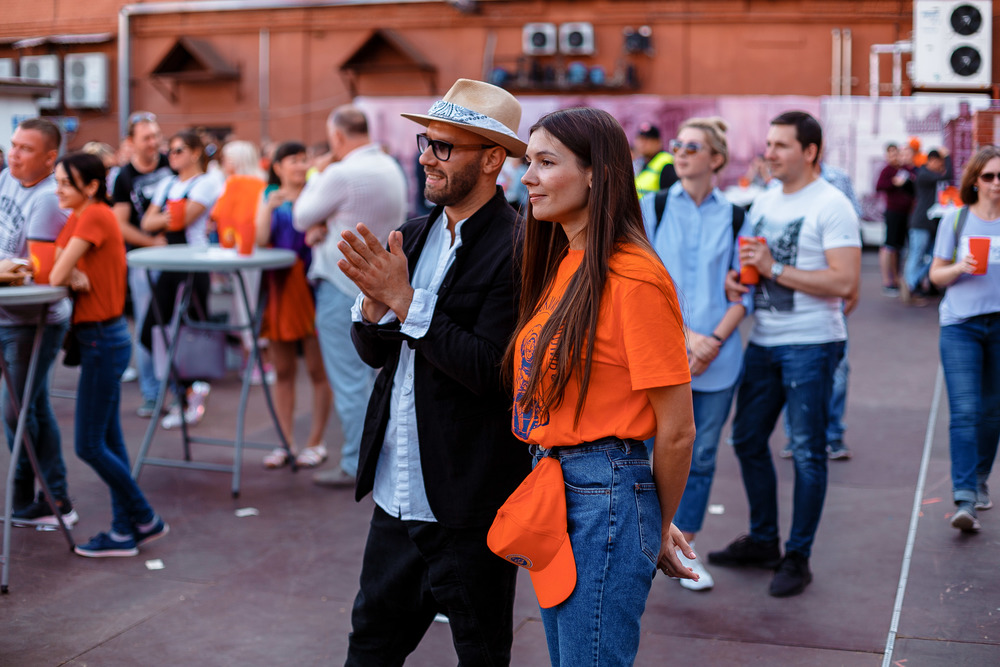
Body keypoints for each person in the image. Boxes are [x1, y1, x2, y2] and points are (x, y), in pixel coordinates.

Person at [336, 78, 530, 665]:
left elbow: (494, 373)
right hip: (397, 495)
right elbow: (376, 355)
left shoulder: (519, 246)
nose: (426, 156)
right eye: (426, 141)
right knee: (368, 648)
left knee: (482, 653)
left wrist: (405, 301)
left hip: (467, 502)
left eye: (444, 146)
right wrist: (374, 309)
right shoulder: (414, 234)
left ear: (492, 159)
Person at [508, 107, 696, 665]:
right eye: (528, 162)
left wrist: (654, 522)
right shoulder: (568, 259)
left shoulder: (634, 277)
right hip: (563, 488)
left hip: (602, 496)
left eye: (546, 163)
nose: (528, 177)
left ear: (597, 174)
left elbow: (678, 430)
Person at [710, 111, 860, 597]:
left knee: (809, 452)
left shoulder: (832, 204)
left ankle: (798, 556)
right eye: (768, 143)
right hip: (765, 339)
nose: (768, 153)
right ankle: (763, 540)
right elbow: (750, 264)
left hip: (812, 343)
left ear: (810, 151)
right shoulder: (765, 200)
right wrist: (738, 280)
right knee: (747, 439)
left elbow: (845, 281)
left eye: (781, 145)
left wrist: (774, 268)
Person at [639, 117, 749, 592]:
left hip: (718, 359)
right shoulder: (652, 207)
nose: (680, 153)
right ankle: (644, 545)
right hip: (659, 352)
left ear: (716, 159)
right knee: (644, 453)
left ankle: (687, 550)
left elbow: (745, 290)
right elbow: (639, 283)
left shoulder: (739, 216)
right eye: (677, 145)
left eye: (692, 147)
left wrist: (712, 342)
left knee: (701, 456)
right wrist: (686, 337)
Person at [49, 151, 169, 557]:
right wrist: (71, 271)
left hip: (102, 338)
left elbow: (55, 273)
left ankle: (144, 516)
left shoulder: (94, 216)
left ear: (91, 186)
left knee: (88, 444)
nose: (58, 190)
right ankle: (123, 531)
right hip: (100, 338)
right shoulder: (81, 215)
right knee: (109, 440)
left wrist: (70, 271)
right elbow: (58, 264)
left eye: (65, 183)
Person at [293, 106, 407, 487]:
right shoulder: (389, 167)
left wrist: (316, 173)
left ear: (337, 137)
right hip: (380, 287)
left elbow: (300, 215)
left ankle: (356, 463)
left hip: (340, 285)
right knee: (373, 378)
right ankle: (375, 458)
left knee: (349, 382)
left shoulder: (340, 173)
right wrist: (325, 223)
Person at [0, 118, 75, 527]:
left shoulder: (48, 199)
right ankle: (49, 497)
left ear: (49, 158)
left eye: (25, 149)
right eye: (13, 145)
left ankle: (39, 496)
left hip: (33, 320)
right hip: (8, 314)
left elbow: (34, 272)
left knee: (17, 410)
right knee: (32, 406)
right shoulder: (7, 180)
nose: (14, 155)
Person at [928, 145, 1000, 533]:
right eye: (989, 176)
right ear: (975, 180)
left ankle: (980, 478)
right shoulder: (956, 220)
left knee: (993, 412)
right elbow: (935, 275)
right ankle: (965, 497)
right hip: (961, 326)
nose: (996, 183)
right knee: (966, 410)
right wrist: (960, 266)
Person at [255, 141, 333, 469]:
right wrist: (266, 207)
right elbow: (260, 240)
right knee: (283, 370)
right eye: (293, 160)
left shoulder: (319, 192)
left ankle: (316, 441)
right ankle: (284, 442)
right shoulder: (269, 196)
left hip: (314, 287)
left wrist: (320, 232)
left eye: (303, 159)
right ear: (278, 167)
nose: (300, 166)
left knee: (318, 370)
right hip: (279, 288)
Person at [140, 130, 221, 430]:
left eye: (178, 150)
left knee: (193, 330)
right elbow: (147, 222)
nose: (171, 156)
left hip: (195, 263)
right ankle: (186, 390)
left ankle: (190, 393)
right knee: (150, 331)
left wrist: (163, 218)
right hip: (170, 263)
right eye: (170, 150)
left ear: (195, 153)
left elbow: (181, 220)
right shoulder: (168, 183)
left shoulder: (207, 182)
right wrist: (166, 217)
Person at [111, 111, 174, 418]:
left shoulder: (171, 164)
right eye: (147, 137)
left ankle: (181, 389)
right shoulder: (124, 177)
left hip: (177, 258)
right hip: (144, 262)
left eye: (157, 136)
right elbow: (120, 224)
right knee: (148, 325)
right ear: (131, 142)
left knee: (176, 324)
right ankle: (152, 393)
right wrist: (152, 243)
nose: (154, 142)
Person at [211, 140, 268, 382]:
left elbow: (219, 213)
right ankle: (258, 359)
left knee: (246, 305)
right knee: (256, 304)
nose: (223, 163)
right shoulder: (262, 182)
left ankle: (252, 359)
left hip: (242, 251)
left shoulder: (234, 183)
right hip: (261, 250)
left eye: (226, 158)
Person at [903, 147, 952, 306]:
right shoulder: (924, 174)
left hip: (930, 222)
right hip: (920, 223)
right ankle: (910, 287)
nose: (941, 166)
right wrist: (948, 156)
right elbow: (948, 175)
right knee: (916, 255)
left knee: (932, 256)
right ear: (932, 161)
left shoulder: (927, 174)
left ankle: (913, 282)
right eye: (940, 163)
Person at [876, 143, 916, 296]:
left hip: (906, 213)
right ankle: (888, 281)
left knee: (900, 247)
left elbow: (913, 185)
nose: (894, 157)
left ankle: (898, 278)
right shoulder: (887, 170)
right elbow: (879, 186)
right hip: (893, 212)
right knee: (889, 246)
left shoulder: (905, 169)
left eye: (896, 154)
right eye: (891, 154)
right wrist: (893, 182)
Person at [634, 122, 678, 196]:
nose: (642, 144)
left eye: (647, 140)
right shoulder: (643, 162)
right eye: (640, 139)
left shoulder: (666, 162)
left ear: (658, 142)